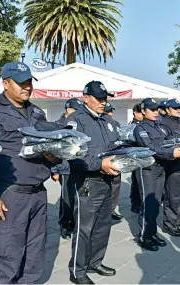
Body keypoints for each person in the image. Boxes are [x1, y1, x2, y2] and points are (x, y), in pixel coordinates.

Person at [0, 62, 57, 284]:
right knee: (8, 255)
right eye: (21, 83)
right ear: (5, 83)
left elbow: (48, 146)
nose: (27, 87)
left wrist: (56, 159)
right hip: (9, 193)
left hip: (37, 193)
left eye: (29, 82)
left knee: (34, 254)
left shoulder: (37, 112)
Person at [66, 81, 120, 284]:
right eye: (99, 98)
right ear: (85, 97)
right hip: (87, 182)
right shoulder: (76, 119)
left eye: (105, 98)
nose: (103, 102)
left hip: (108, 179)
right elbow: (73, 154)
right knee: (84, 228)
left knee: (103, 226)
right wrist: (99, 164)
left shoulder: (106, 120)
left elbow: (114, 145)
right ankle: (77, 271)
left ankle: (95, 262)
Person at [133, 98, 180, 251]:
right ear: (143, 111)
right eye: (152, 109)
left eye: (157, 109)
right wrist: (171, 153)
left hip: (160, 168)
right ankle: (144, 236)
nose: (156, 112)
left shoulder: (159, 127)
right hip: (148, 169)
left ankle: (151, 233)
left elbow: (169, 141)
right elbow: (151, 148)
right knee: (148, 204)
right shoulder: (140, 128)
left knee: (156, 204)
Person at [160, 99, 180, 237]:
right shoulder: (163, 124)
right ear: (167, 110)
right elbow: (165, 144)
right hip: (174, 166)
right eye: (175, 108)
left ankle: (177, 222)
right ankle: (169, 224)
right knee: (172, 196)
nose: (178, 110)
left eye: (179, 107)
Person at [53, 97, 82, 240]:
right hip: (64, 169)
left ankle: (74, 223)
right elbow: (53, 150)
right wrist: (55, 170)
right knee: (67, 198)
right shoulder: (59, 125)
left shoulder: (79, 124)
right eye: (76, 110)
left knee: (77, 198)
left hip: (78, 168)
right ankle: (65, 225)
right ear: (68, 110)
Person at [104, 102, 123, 221]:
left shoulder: (116, 124)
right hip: (104, 160)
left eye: (111, 111)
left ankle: (112, 209)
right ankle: (105, 210)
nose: (110, 113)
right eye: (108, 111)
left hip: (117, 159)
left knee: (116, 185)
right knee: (105, 186)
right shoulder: (98, 123)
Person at [129, 103, 143, 214]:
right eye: (140, 112)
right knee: (136, 182)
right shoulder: (133, 125)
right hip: (135, 156)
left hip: (142, 156)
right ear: (135, 113)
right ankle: (135, 204)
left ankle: (138, 203)